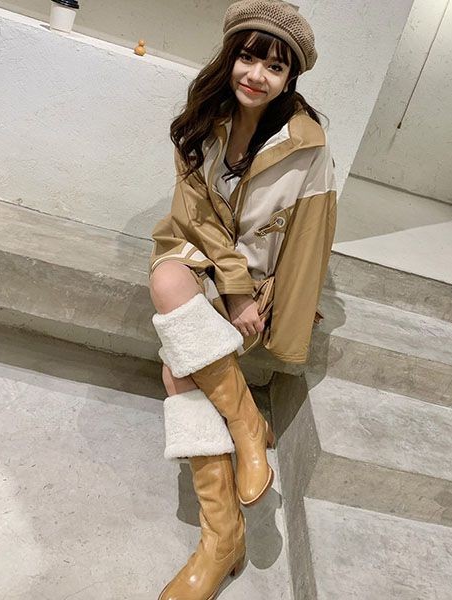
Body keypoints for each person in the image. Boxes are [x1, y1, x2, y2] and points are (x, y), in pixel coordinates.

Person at [148, 1, 337, 598]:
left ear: (290, 78)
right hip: (200, 254)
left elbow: (310, 242)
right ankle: (247, 425)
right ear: (231, 56)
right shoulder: (204, 116)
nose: (256, 75)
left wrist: (280, 312)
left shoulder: (308, 147)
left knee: (178, 367)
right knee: (168, 278)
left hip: (259, 281)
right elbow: (192, 217)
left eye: (274, 67)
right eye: (248, 58)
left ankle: (221, 540)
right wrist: (229, 288)